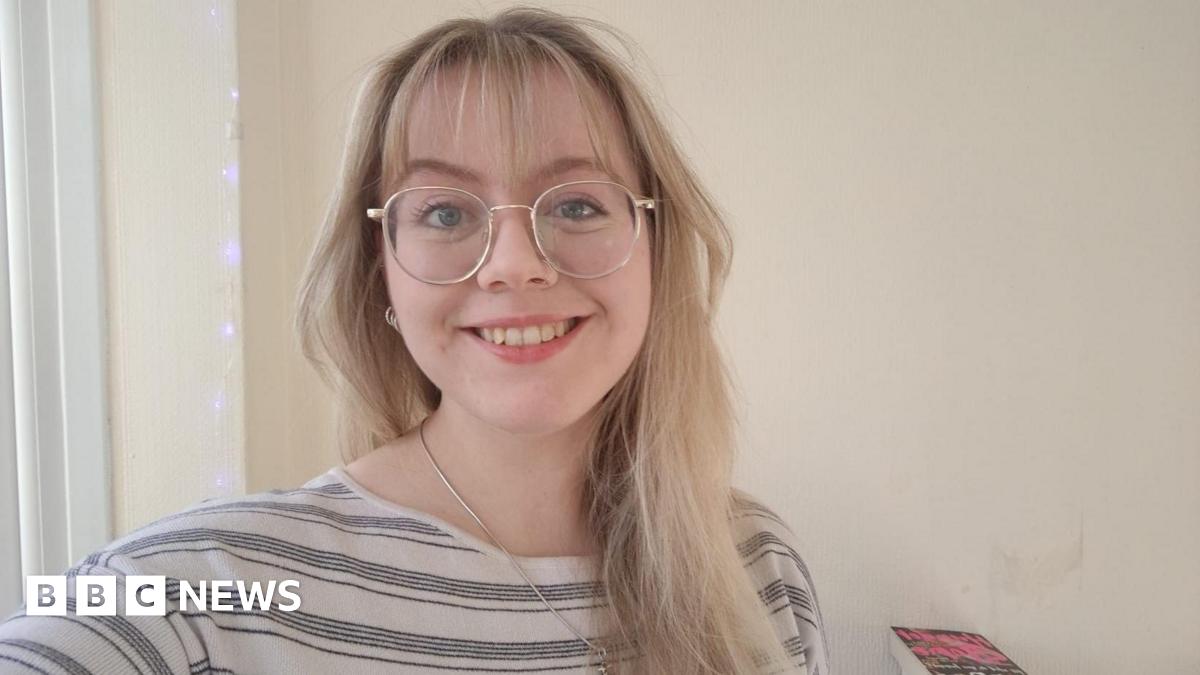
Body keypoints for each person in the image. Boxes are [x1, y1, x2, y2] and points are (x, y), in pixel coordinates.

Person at [0, 7, 830, 674]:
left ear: (655, 248)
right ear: (383, 275)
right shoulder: (200, 593)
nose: (514, 263)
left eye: (578, 204)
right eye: (445, 212)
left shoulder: (757, 568)